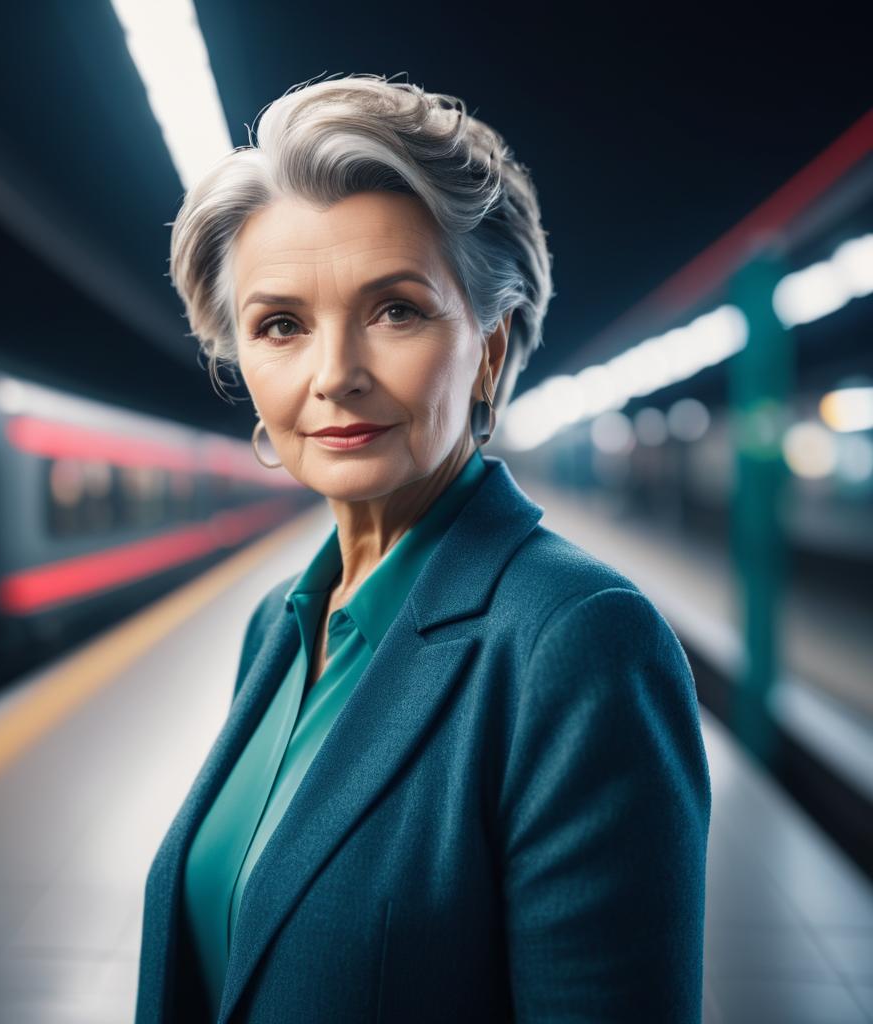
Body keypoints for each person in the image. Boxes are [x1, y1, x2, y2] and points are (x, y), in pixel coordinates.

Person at [135, 73, 711, 1023]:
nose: (334, 376)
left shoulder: (579, 645)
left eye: (395, 310)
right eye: (281, 325)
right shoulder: (276, 625)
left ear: (487, 344)